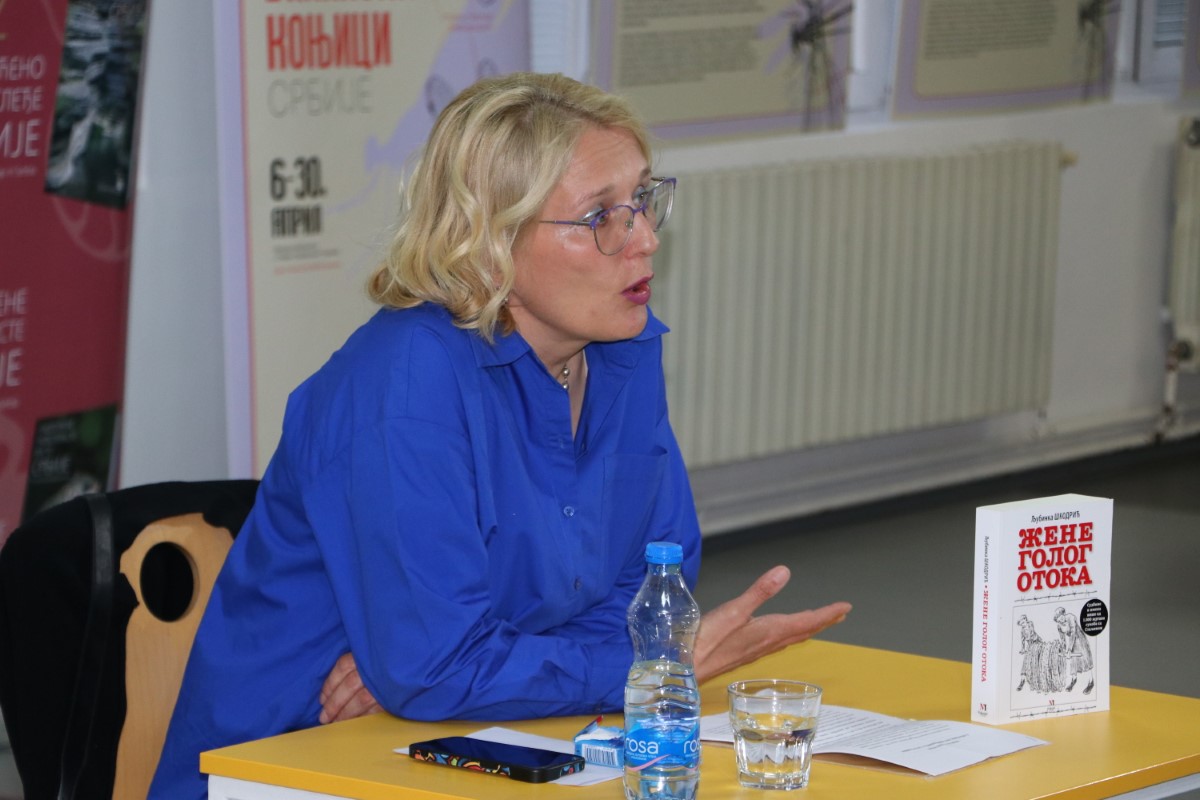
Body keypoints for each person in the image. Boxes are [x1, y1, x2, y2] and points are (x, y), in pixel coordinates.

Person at [150, 72, 851, 799]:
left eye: (643, 200)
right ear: (489, 244)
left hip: (473, 733)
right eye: (600, 216)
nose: (644, 238)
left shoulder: (622, 352)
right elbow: (444, 667)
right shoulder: (404, 385)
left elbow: (650, 585)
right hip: (287, 763)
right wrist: (635, 670)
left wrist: (463, 670)